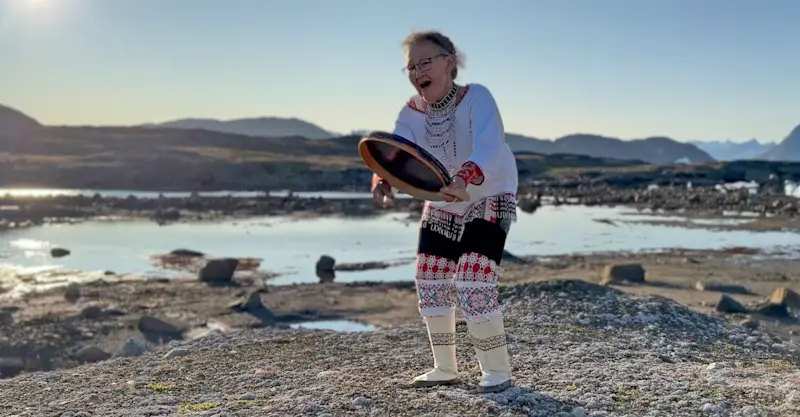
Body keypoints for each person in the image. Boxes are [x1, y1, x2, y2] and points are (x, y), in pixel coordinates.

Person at [371, 30, 518, 393]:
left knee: (473, 280)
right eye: (411, 66)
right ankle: (444, 367)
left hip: (489, 192)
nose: (417, 71)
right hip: (442, 200)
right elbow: (398, 148)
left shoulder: (477, 97)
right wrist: (383, 177)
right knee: (430, 280)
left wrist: (465, 176)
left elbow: (489, 144)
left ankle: (496, 370)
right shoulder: (412, 110)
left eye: (426, 62)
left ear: (449, 63)